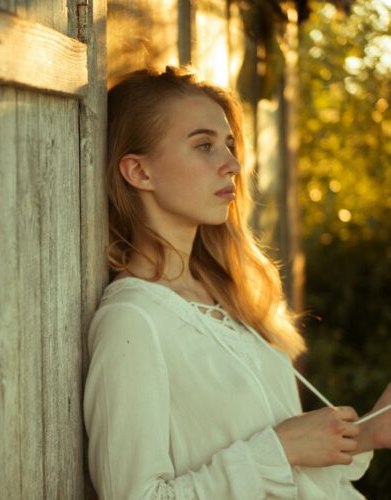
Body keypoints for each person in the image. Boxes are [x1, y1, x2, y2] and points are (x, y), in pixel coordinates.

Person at [83, 65, 391, 499]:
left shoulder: (231, 299)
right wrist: (280, 450)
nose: (231, 164)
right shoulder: (132, 320)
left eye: (228, 145)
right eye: (204, 145)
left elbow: (290, 471)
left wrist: (369, 432)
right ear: (139, 172)